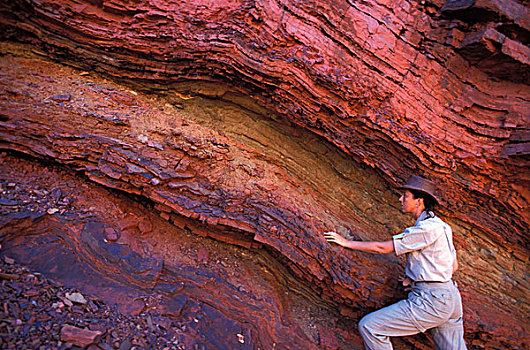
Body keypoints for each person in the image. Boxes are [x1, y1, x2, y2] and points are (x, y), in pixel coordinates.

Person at [324, 175, 467, 350]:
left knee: (370, 327)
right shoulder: (442, 226)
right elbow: (453, 267)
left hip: (432, 300)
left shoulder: (424, 229)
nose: (400, 199)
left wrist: (346, 243)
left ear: (418, 201)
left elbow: (382, 248)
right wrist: (415, 279)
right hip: (451, 297)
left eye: (405, 195)